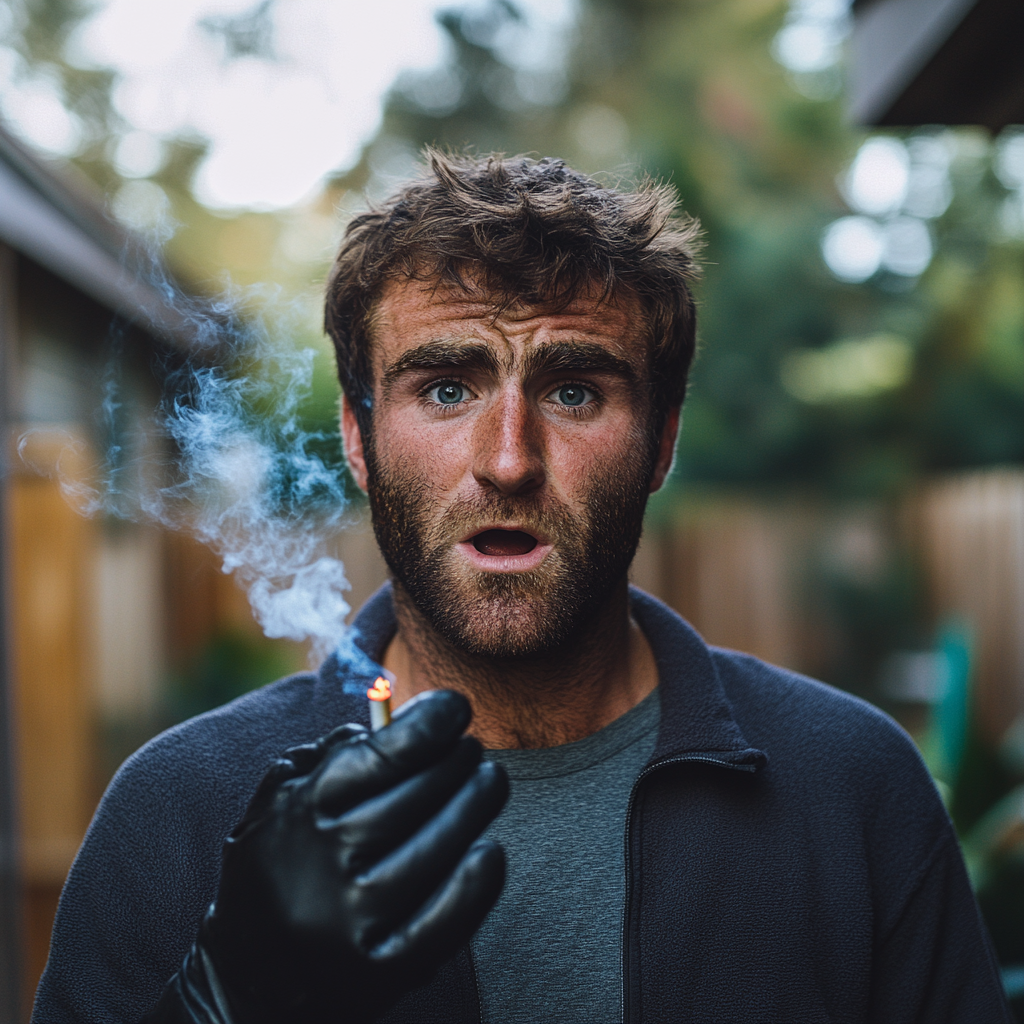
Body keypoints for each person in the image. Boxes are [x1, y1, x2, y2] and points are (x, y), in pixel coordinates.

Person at [33, 152, 1010, 1024]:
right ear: (357, 437)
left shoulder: (854, 792)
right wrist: (218, 1004)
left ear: (660, 440)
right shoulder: (177, 814)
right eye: (446, 387)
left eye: (574, 390)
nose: (507, 460)